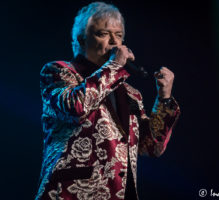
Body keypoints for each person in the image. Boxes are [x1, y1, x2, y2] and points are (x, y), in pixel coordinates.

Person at [36, 2, 180, 200]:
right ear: (81, 40)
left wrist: (164, 97)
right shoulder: (59, 72)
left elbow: (151, 147)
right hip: (72, 194)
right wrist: (114, 65)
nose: (114, 43)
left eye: (119, 35)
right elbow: (76, 107)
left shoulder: (131, 93)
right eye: (103, 34)